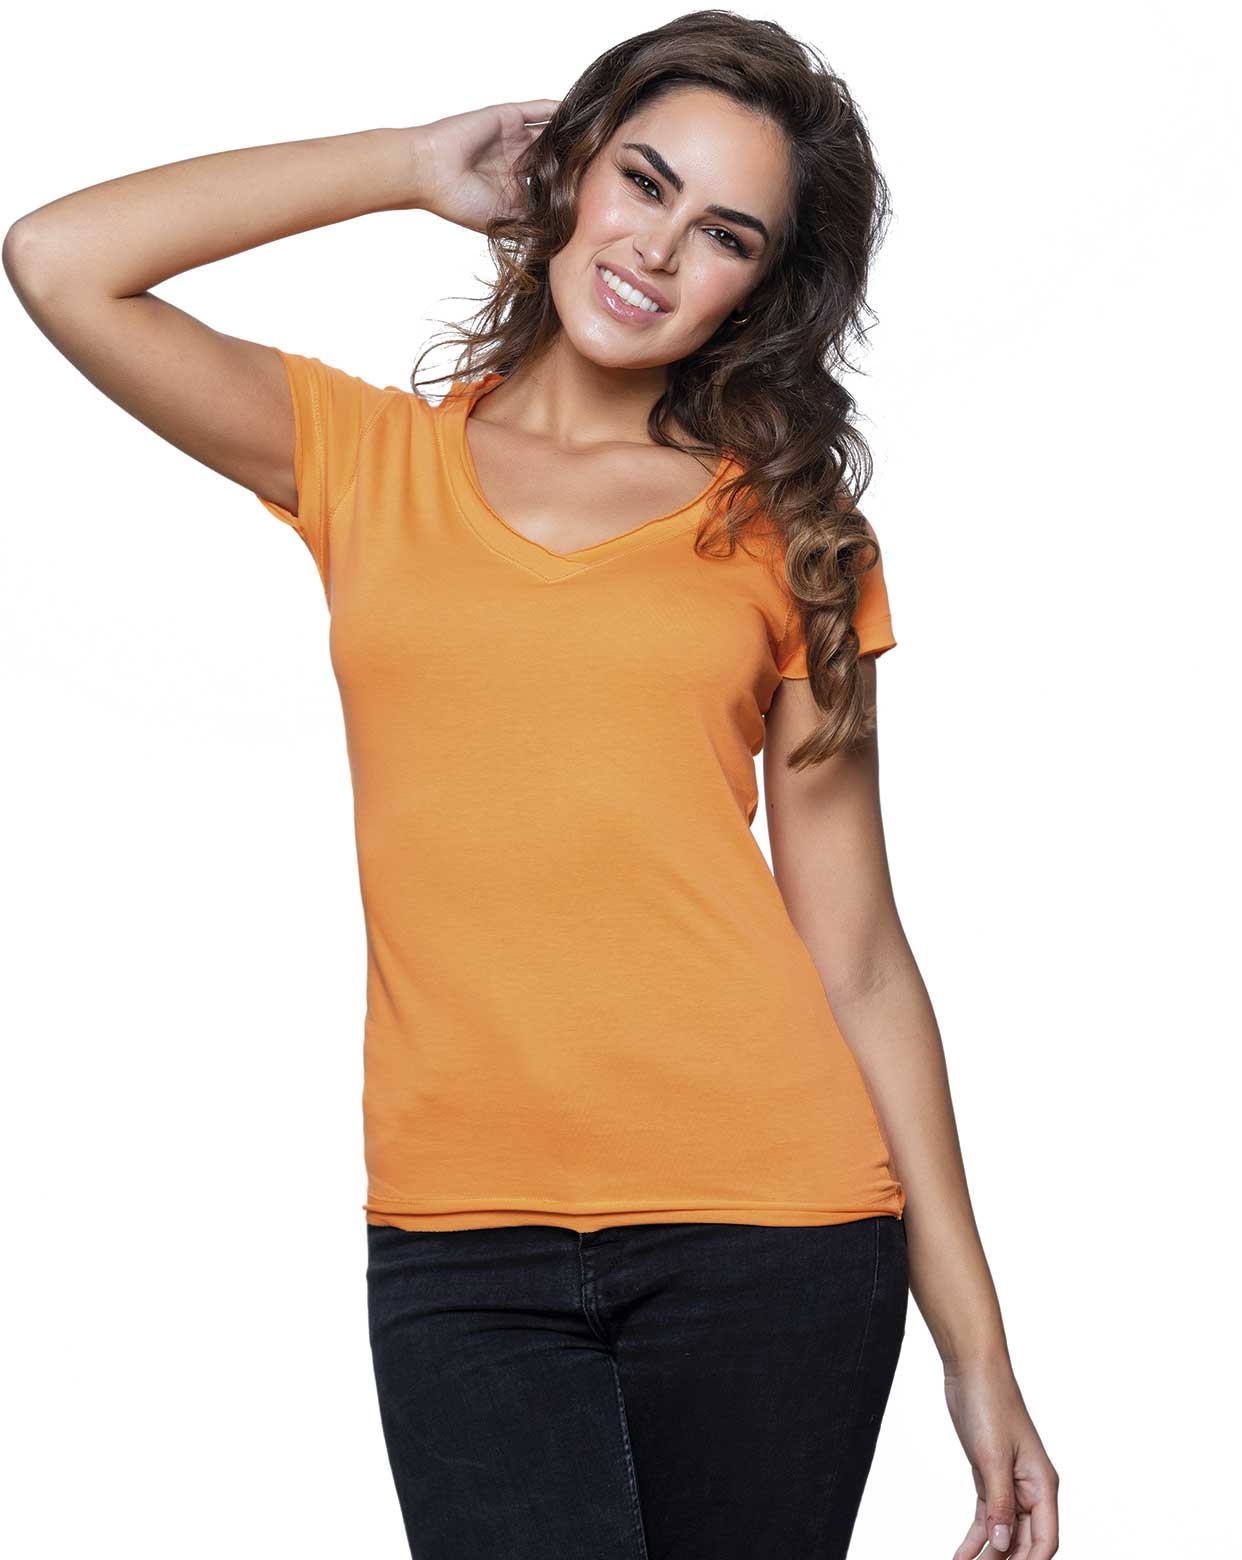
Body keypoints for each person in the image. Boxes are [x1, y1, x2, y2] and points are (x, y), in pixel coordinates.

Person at [4, 12, 1060, 1559]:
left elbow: (856, 955)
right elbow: (58, 260)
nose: (656, 251)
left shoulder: (789, 533)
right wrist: (404, 165)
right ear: (568, 171)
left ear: (760, 287)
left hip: (773, 1227)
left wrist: (975, 1346)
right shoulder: (363, 460)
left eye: (724, 235)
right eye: (641, 180)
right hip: (460, 1245)